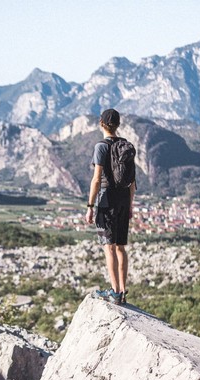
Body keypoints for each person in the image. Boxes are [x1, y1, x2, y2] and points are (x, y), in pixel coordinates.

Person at [85, 108, 135, 305]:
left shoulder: (101, 146)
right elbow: (132, 182)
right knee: (121, 247)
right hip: (123, 199)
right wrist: (130, 205)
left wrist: (90, 205)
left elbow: (96, 179)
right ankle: (122, 291)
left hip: (107, 200)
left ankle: (114, 292)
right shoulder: (127, 146)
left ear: (101, 123)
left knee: (109, 248)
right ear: (118, 124)